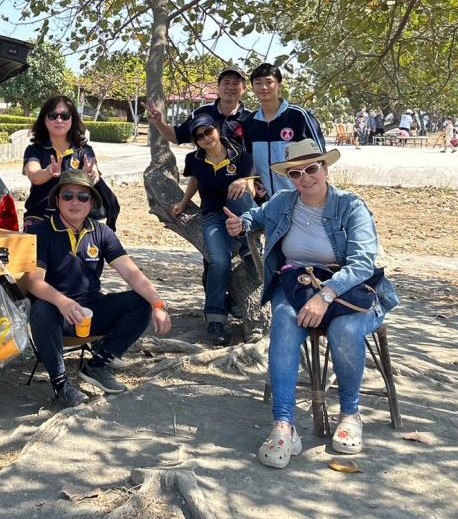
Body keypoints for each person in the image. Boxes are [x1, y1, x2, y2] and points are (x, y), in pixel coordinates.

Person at [224, 140, 399, 469]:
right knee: (284, 322)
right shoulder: (283, 202)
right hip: (297, 285)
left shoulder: (351, 206)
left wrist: (326, 294)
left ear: (325, 168)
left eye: (311, 168)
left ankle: (350, 414)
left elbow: (363, 263)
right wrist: (243, 223)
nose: (305, 177)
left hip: (350, 290)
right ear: (289, 177)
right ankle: (284, 425)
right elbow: (257, 215)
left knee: (344, 330)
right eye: (295, 173)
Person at [20, 170, 172, 407]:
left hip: (91, 312)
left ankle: (98, 365)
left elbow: (131, 273)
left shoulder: (101, 232)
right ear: (57, 200)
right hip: (56, 313)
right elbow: (33, 281)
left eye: (83, 197)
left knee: (142, 302)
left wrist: (158, 304)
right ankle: (61, 385)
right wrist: (63, 302)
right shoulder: (40, 232)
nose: (75, 202)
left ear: (91, 203)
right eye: (68, 195)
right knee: (40, 309)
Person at [170, 115, 256, 345]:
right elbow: (195, 181)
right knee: (218, 261)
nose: (205, 138)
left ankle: (249, 247)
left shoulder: (240, 154)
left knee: (236, 191)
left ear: (217, 130)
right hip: (214, 216)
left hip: (240, 212)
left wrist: (243, 182)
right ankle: (216, 320)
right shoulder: (194, 159)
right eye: (199, 136)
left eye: (208, 131)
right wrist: (184, 202)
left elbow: (251, 189)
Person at [242, 63, 327, 198]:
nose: (263, 87)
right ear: (253, 87)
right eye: (258, 83)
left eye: (269, 82)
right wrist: (255, 182)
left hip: (300, 196)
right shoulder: (250, 122)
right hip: (266, 200)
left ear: (279, 86)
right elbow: (248, 160)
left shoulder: (298, 116)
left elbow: (320, 157)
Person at [22, 95, 102, 229]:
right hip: (41, 216)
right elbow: (34, 174)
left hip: (75, 217)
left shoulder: (84, 150)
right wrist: (48, 172)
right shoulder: (34, 150)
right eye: (53, 116)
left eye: (65, 116)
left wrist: (89, 176)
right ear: (44, 119)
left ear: (72, 119)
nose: (59, 120)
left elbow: (93, 173)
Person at [146, 66, 252, 149]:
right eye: (226, 82)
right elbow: (176, 137)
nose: (230, 87)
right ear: (218, 87)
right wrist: (159, 122)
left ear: (244, 89)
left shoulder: (251, 118)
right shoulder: (201, 113)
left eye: (236, 83)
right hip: (206, 171)